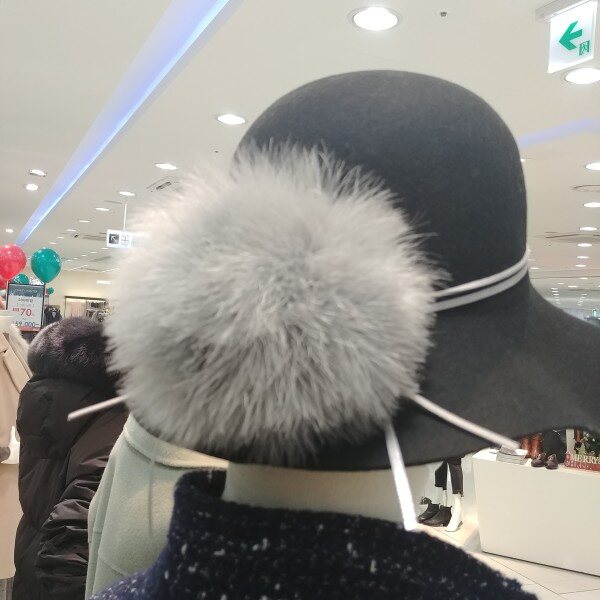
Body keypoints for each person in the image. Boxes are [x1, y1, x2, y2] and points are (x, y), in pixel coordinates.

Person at [13, 317, 127, 600]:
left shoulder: (37, 399)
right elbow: (79, 518)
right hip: (62, 577)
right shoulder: (112, 418)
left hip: (30, 552)